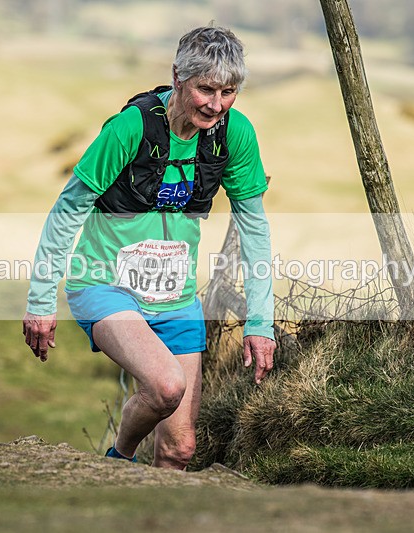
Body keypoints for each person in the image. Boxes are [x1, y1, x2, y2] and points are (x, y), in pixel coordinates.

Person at [23, 25, 275, 470]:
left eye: (229, 92)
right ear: (178, 78)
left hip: (176, 301)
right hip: (104, 286)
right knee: (164, 385)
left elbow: (253, 227)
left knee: (180, 450)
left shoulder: (232, 136)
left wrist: (260, 320)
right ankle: (117, 459)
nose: (216, 105)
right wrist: (41, 300)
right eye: (206, 89)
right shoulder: (130, 128)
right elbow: (68, 209)